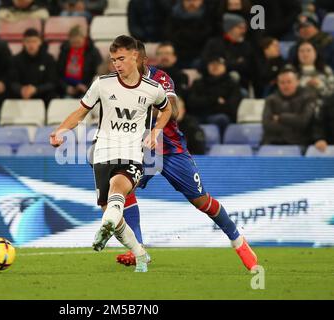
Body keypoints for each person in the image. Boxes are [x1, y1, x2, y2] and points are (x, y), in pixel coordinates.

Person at [115, 41, 258, 272]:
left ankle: (239, 242)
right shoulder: (118, 84)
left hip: (171, 150)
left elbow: (173, 109)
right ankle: (137, 249)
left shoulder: (159, 79)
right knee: (122, 189)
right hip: (140, 150)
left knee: (201, 201)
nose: (122, 66)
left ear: (141, 60)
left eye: (127, 60)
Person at [50, 35, 173, 272]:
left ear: (135, 57)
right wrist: (61, 130)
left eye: (121, 58)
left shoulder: (152, 89)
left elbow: (167, 110)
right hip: (102, 153)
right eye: (113, 59)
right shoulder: (102, 84)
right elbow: (81, 112)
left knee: (119, 188)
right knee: (112, 213)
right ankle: (140, 254)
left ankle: (103, 228)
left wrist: (156, 131)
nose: (116, 64)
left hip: (131, 154)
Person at [187, 55, 243, 136]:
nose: (215, 67)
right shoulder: (198, 83)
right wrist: (215, 100)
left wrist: (206, 103)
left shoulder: (232, 84)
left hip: (219, 117)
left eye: (218, 64)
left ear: (225, 66)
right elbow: (191, 102)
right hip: (199, 115)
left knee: (222, 119)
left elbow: (231, 107)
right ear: (207, 66)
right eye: (212, 64)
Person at [262, 66, 317, 147]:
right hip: (272, 143)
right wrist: (293, 125)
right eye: (282, 82)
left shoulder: (307, 98)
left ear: (297, 82)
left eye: (289, 82)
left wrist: (280, 117)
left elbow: (303, 121)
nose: (286, 85)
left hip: (299, 144)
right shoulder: (271, 100)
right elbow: (267, 124)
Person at [201, 13, 255, 90]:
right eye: (240, 27)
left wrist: (224, 64)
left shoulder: (246, 46)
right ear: (230, 28)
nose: (244, 30)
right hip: (211, 84)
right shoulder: (214, 43)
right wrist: (234, 63)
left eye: (245, 28)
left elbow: (247, 66)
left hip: (238, 86)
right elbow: (205, 62)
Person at [10, 28, 57, 105]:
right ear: (23, 43)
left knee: (52, 94)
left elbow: (52, 82)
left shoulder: (48, 59)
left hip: (43, 95)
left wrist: (36, 89)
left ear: (40, 42)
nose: (31, 45)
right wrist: (21, 89)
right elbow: (12, 81)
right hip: (22, 95)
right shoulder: (16, 60)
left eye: (34, 41)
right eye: (28, 41)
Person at [165, 0, 216, 68]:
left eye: (195, 0)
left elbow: (210, 37)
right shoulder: (172, 16)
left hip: (202, 56)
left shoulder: (210, 16)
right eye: (188, 0)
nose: (192, 3)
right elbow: (169, 35)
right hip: (178, 55)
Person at [57, 25, 101, 98]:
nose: (76, 45)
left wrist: (87, 87)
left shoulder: (93, 51)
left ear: (84, 39)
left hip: (87, 89)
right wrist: (66, 88)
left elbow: (98, 73)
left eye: (78, 42)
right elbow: (58, 73)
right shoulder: (64, 51)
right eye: (73, 43)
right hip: (67, 89)